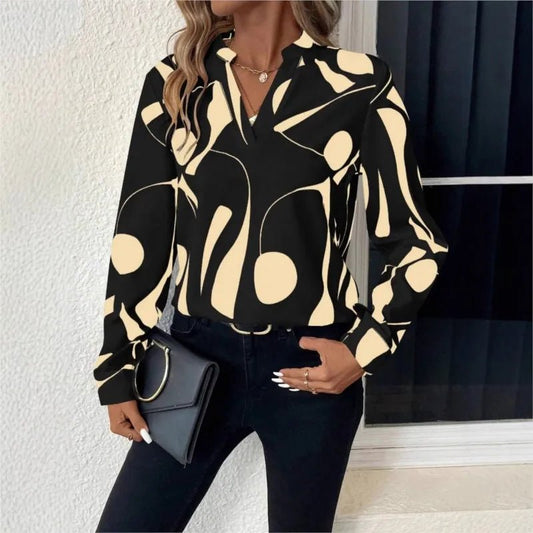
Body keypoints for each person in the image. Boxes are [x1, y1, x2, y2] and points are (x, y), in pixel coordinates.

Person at [93, 1, 449, 531]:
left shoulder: (359, 85)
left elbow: (417, 245)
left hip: (310, 368)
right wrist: (118, 366)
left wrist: (362, 351)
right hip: (196, 360)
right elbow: (139, 239)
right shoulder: (177, 84)